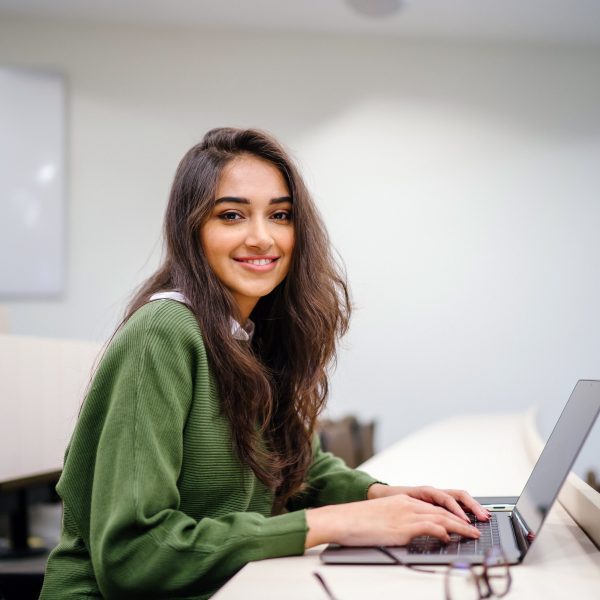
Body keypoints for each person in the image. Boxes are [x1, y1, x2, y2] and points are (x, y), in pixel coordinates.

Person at [40, 127, 489, 599]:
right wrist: (337, 522)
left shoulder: (249, 332)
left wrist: (382, 497)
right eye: (231, 215)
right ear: (192, 230)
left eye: (280, 215)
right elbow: (135, 556)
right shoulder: (164, 333)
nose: (262, 237)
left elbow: (297, 466)